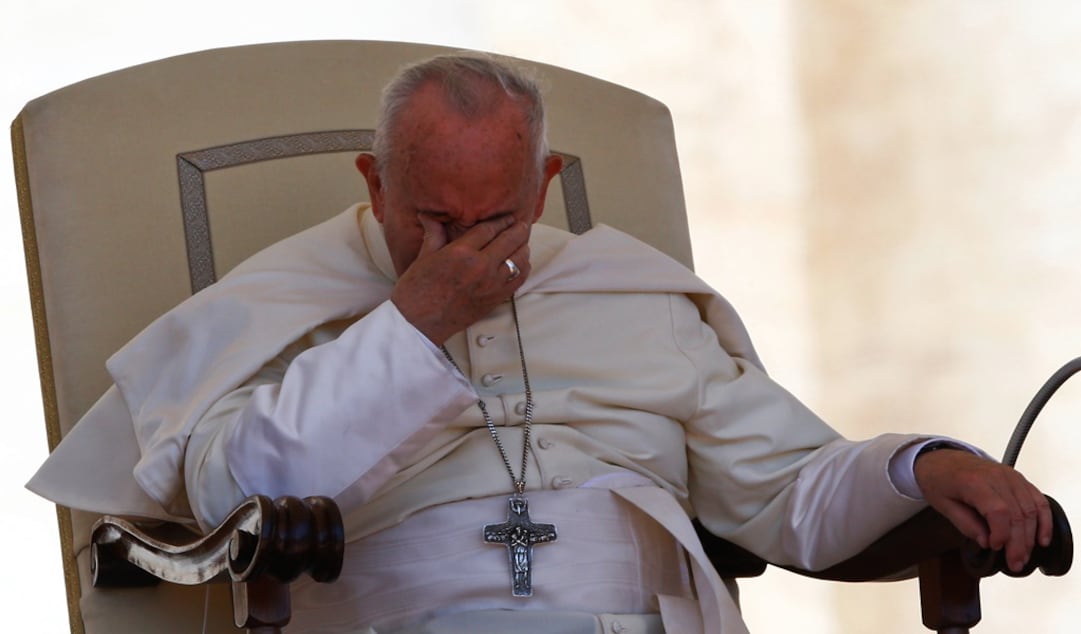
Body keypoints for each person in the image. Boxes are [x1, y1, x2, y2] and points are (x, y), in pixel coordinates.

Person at [30, 54, 1051, 634]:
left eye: (500, 217)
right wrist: (414, 322)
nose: (466, 249)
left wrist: (925, 466)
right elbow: (232, 496)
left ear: (546, 183)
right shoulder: (279, 302)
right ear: (373, 183)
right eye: (430, 220)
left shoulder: (633, 294)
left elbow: (789, 488)